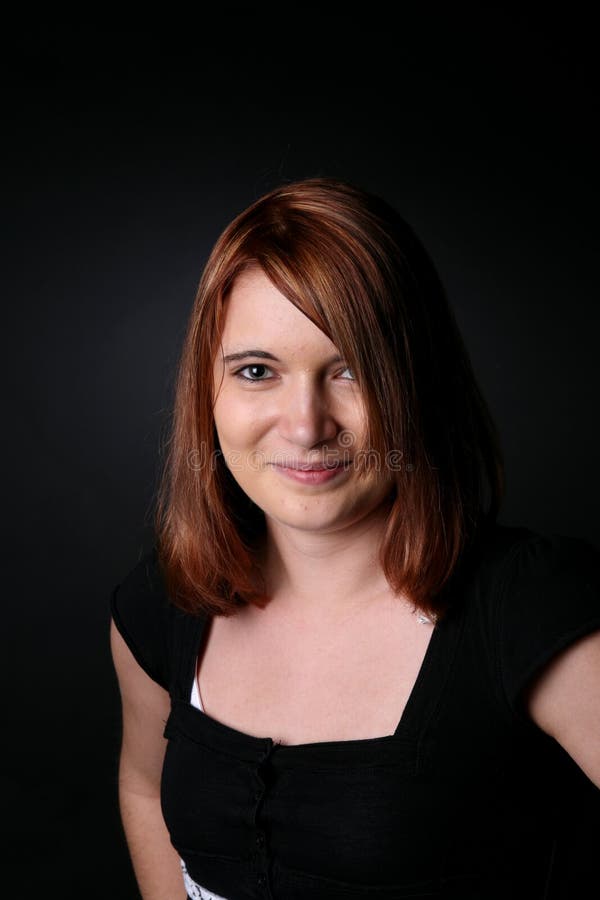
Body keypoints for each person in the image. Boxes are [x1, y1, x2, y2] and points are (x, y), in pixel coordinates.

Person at [109, 176, 600, 900]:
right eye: (256, 371)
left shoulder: (536, 609)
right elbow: (145, 789)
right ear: (206, 394)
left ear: (415, 384)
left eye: (352, 371)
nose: (306, 426)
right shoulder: (163, 602)